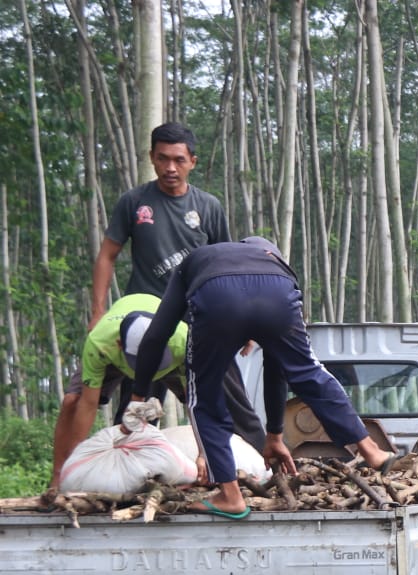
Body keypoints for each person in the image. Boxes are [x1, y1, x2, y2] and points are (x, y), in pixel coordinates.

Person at [128, 237, 395, 518]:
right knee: (311, 374)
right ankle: (371, 451)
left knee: (203, 399)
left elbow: (156, 336)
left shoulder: (196, 260)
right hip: (277, 293)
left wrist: (138, 395)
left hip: (217, 295)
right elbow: (278, 368)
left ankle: (230, 496)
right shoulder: (276, 265)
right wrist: (274, 435)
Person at [89, 121, 263, 453]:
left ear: (192, 162)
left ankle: (258, 464)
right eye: (163, 158)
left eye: (179, 159)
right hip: (146, 323)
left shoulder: (208, 206)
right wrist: (98, 312)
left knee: (231, 403)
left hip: (199, 319)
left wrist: (242, 320)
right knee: (136, 407)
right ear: (152, 158)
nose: (170, 167)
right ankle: (131, 468)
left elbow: (226, 266)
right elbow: (107, 255)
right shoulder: (134, 202)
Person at [49, 294, 188, 487]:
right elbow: (88, 404)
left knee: (200, 401)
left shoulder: (183, 342)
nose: (144, 370)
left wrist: (204, 456)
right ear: (120, 345)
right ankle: (58, 475)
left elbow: (199, 403)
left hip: (169, 357)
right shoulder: (100, 344)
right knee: (72, 401)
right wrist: (75, 467)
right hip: (114, 357)